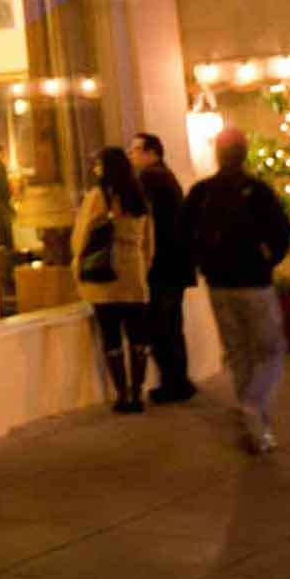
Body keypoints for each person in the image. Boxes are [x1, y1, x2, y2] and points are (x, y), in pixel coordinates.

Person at [184, 127, 290, 455]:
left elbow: (183, 232)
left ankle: (257, 429)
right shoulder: (256, 191)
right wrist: (268, 260)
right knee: (270, 350)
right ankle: (253, 405)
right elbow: (281, 230)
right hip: (254, 282)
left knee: (239, 352)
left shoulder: (202, 191)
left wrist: (205, 263)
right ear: (244, 154)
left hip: (219, 284)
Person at [71, 147, 156, 414]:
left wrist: (77, 265)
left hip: (105, 277)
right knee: (138, 335)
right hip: (134, 273)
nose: (95, 169)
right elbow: (149, 242)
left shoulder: (98, 197)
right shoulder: (138, 197)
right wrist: (142, 266)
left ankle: (122, 395)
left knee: (112, 337)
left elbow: (81, 236)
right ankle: (137, 392)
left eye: (98, 165)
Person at [127, 132, 198, 403]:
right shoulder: (164, 176)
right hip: (175, 263)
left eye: (136, 150)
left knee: (161, 325)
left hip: (163, 264)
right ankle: (178, 380)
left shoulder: (151, 178)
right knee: (172, 324)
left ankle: (175, 383)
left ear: (152, 152)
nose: (132, 155)